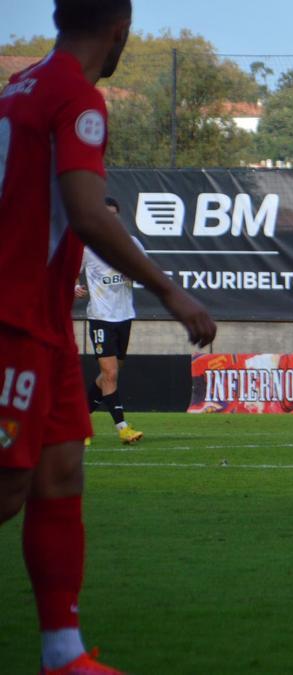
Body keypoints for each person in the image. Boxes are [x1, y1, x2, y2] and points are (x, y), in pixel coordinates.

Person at [0, 3, 217, 673]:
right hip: (12, 316)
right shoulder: (77, 95)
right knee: (6, 490)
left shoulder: (21, 84)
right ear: (120, 29)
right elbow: (90, 214)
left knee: (62, 473)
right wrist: (170, 289)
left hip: (45, 323)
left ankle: (63, 652)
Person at [74, 196, 145, 445]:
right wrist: (74, 286)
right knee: (110, 373)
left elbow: (144, 270)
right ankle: (123, 428)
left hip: (124, 316)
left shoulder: (131, 243)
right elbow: (70, 271)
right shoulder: (86, 247)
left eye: (114, 215)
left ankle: (77, 424)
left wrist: (134, 271)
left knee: (110, 374)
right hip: (101, 318)